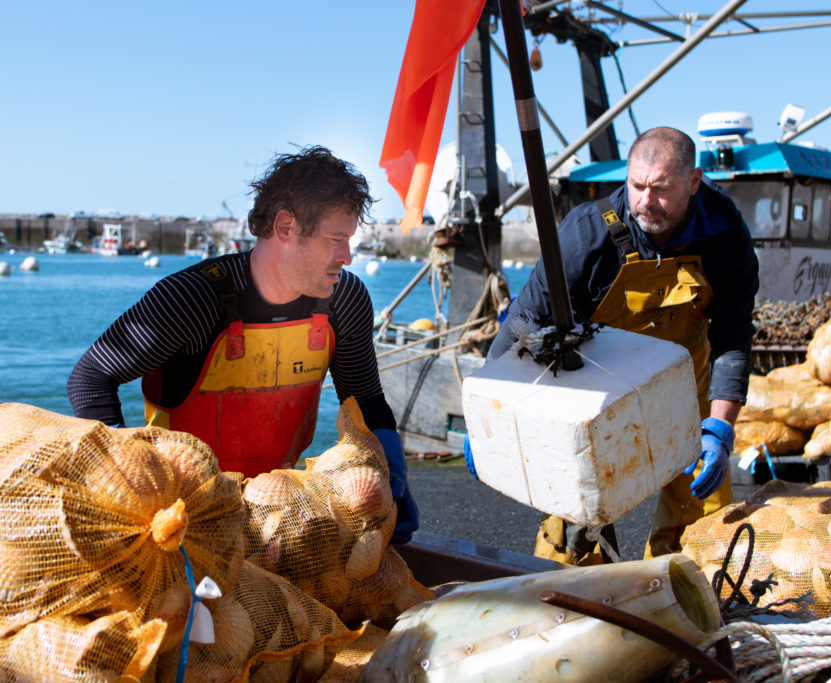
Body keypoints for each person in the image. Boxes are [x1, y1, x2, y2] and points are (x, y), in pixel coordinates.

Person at [67, 146, 418, 544]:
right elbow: (90, 378)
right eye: (337, 239)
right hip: (178, 521)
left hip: (276, 511)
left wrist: (392, 475)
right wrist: (124, 481)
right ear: (286, 227)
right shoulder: (193, 299)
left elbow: (365, 400)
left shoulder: (345, 299)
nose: (348, 256)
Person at [474, 127, 758, 563]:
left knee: (703, 526)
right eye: (637, 186)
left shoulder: (723, 231)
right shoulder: (586, 234)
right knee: (574, 525)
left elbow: (733, 336)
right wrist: (485, 423)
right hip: (593, 392)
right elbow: (523, 323)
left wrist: (720, 429)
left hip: (685, 385)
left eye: (662, 189)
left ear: (694, 182)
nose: (646, 201)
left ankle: (682, 601)